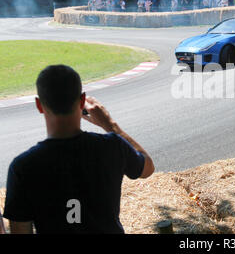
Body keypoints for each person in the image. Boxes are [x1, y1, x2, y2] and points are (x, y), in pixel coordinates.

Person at [2, 65, 155, 234]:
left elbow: (20, 230)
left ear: (39, 105)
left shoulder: (22, 167)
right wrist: (110, 125)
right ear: (82, 101)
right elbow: (147, 167)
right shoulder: (113, 146)